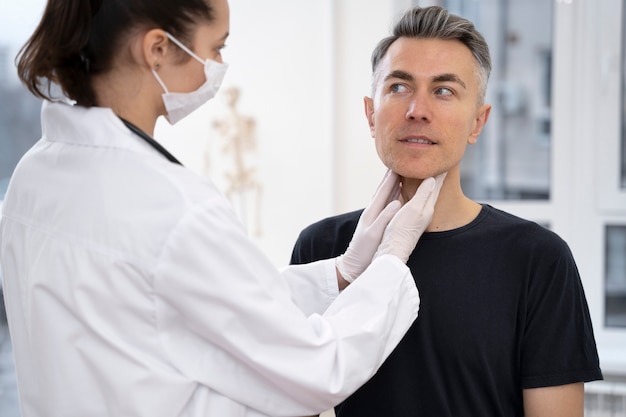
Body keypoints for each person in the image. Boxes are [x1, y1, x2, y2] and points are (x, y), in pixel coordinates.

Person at [0, 1, 447, 416]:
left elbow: (183, 301)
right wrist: (389, 264)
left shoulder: (33, 175)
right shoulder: (171, 207)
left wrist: (341, 275)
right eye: (215, 49)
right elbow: (317, 368)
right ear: (158, 48)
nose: (217, 68)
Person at [290, 5, 603, 417]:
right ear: (370, 113)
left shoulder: (537, 259)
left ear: (478, 122)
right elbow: (290, 398)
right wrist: (348, 277)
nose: (417, 110)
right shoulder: (325, 248)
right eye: (399, 87)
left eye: (443, 91)